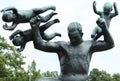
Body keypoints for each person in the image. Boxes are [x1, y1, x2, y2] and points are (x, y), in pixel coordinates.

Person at [30, 17, 114, 81]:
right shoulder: (62, 46)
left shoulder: (89, 45)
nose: (73, 40)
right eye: (71, 37)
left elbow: (110, 44)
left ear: (81, 34)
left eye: (75, 38)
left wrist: (104, 28)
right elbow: (40, 45)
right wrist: (35, 28)